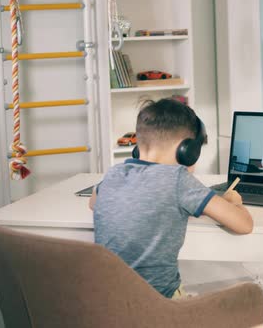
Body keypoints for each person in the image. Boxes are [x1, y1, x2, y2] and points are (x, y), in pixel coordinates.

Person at [89, 98, 253, 299]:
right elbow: (244, 224)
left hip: (108, 304)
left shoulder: (114, 173)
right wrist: (234, 202)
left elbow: (93, 203)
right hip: (160, 305)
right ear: (188, 151)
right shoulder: (178, 180)